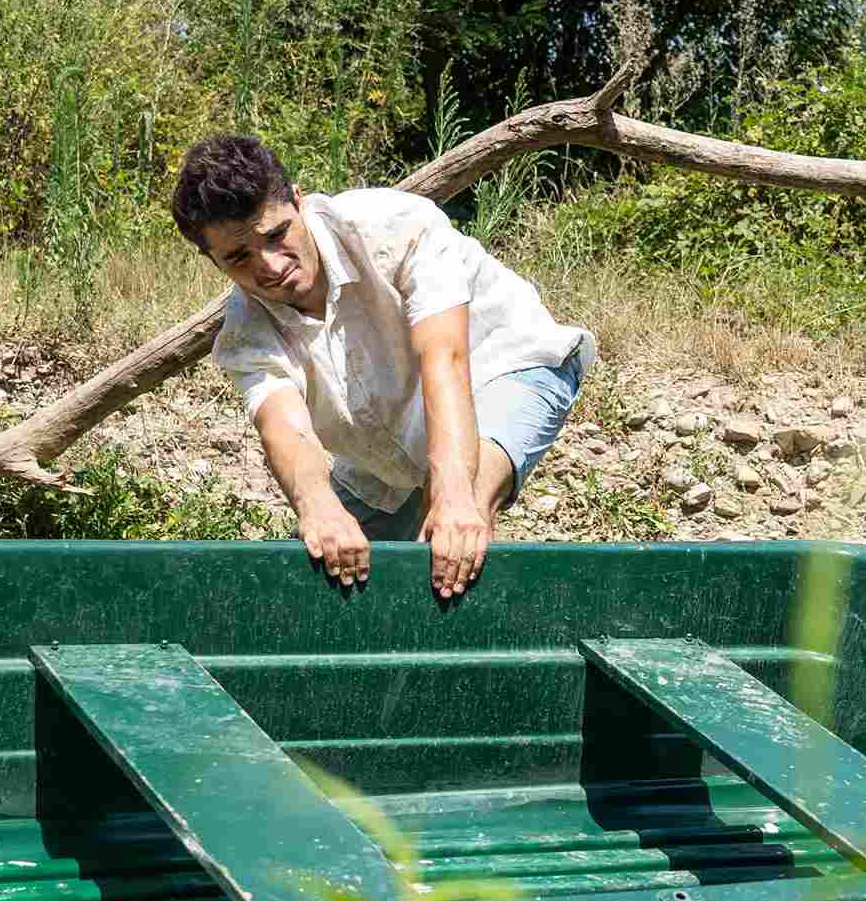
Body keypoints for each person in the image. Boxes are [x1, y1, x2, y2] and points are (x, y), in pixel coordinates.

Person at [174, 133, 595, 598]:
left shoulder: (393, 225)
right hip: (381, 451)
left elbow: (445, 357)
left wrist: (452, 491)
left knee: (459, 526)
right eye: (238, 257)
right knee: (322, 565)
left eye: (276, 235)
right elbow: (284, 427)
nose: (271, 265)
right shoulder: (246, 331)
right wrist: (317, 506)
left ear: (299, 201)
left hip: (506, 367)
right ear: (213, 261)